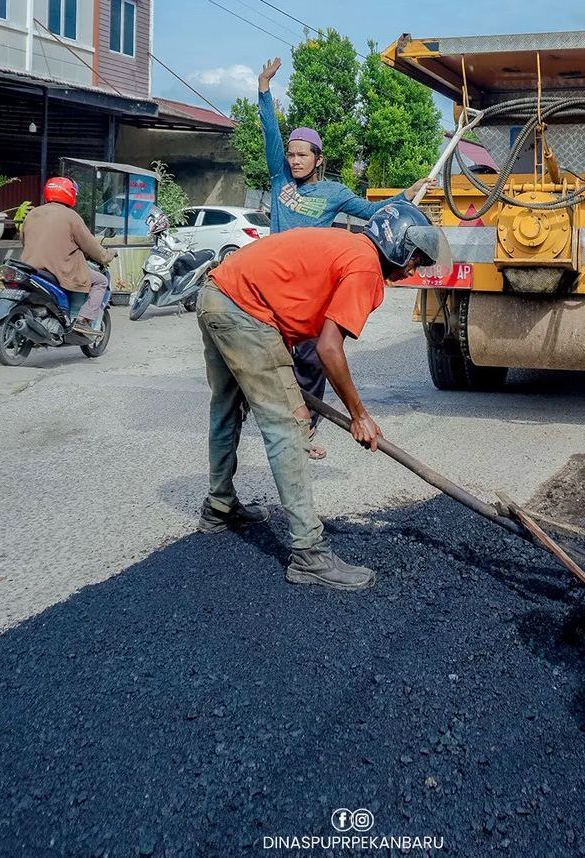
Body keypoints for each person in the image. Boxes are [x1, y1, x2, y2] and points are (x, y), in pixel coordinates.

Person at [197, 201, 451, 591]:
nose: (414, 269)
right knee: (287, 425)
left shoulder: (348, 247)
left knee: (226, 409)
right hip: (244, 311)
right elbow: (330, 349)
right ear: (396, 245)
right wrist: (359, 414)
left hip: (217, 294)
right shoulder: (365, 267)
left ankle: (218, 507)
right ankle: (309, 554)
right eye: (414, 259)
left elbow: (300, 313)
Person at [258, 57, 433, 459]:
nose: (295, 160)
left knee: (311, 358)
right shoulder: (280, 179)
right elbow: (269, 133)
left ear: (319, 159)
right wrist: (264, 89)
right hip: (274, 278)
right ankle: (279, 417)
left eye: (303, 155)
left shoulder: (333, 193)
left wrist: (404, 196)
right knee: (270, 356)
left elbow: (375, 215)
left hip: (309, 285)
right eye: (292, 154)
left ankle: (303, 428)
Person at [20, 177, 115, 336]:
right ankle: (83, 320)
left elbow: (23, 240)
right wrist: (107, 255)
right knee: (100, 280)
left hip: (31, 268)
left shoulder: (33, 213)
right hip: (59, 269)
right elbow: (90, 245)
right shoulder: (71, 216)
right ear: (70, 194)